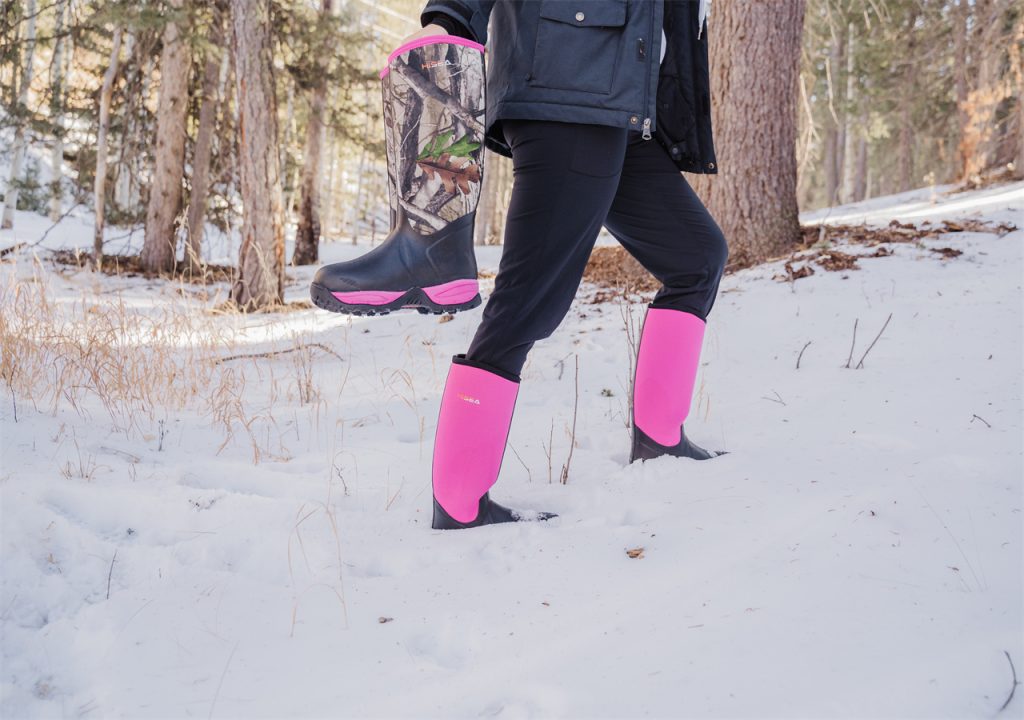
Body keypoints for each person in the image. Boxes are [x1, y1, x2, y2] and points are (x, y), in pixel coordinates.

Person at [418, 0, 729, 529]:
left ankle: (660, 437)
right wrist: (449, 19)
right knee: (529, 301)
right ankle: (459, 499)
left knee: (697, 257)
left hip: (620, 109)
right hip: (565, 100)